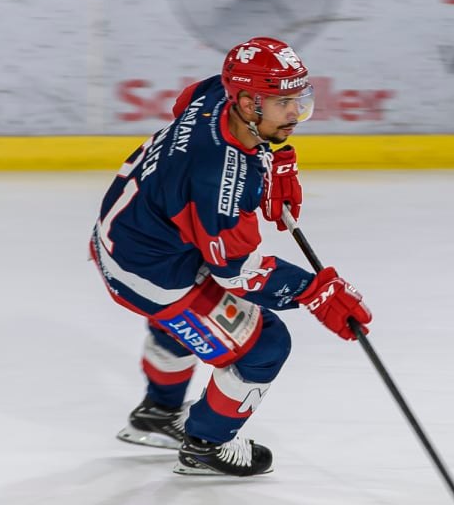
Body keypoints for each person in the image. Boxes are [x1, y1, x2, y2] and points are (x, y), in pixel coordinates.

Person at [90, 37, 372, 478]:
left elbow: (184, 108)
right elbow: (238, 274)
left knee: (181, 324)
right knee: (265, 346)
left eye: (299, 99)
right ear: (245, 100)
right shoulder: (218, 180)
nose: (295, 114)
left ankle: (158, 415)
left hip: (126, 235)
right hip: (153, 271)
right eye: (283, 103)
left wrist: (265, 161)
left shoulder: (212, 95)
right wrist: (315, 292)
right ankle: (206, 444)